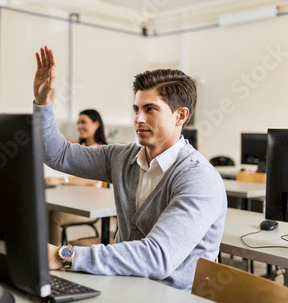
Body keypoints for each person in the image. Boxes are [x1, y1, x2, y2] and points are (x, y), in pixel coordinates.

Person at [33, 46, 226, 291]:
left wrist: (65, 255)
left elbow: (157, 257)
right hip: (121, 285)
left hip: (170, 296)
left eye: (150, 109)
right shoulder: (123, 157)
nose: (138, 119)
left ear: (181, 116)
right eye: (136, 109)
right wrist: (42, 101)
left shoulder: (199, 178)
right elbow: (57, 154)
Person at [46, 109, 108, 245]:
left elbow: (91, 181)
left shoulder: (101, 151)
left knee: (54, 217)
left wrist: (60, 181)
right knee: (46, 210)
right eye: (78, 123)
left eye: (83, 122)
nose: (79, 126)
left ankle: (54, 257)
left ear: (96, 124)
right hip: (75, 201)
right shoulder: (82, 148)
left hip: (90, 207)